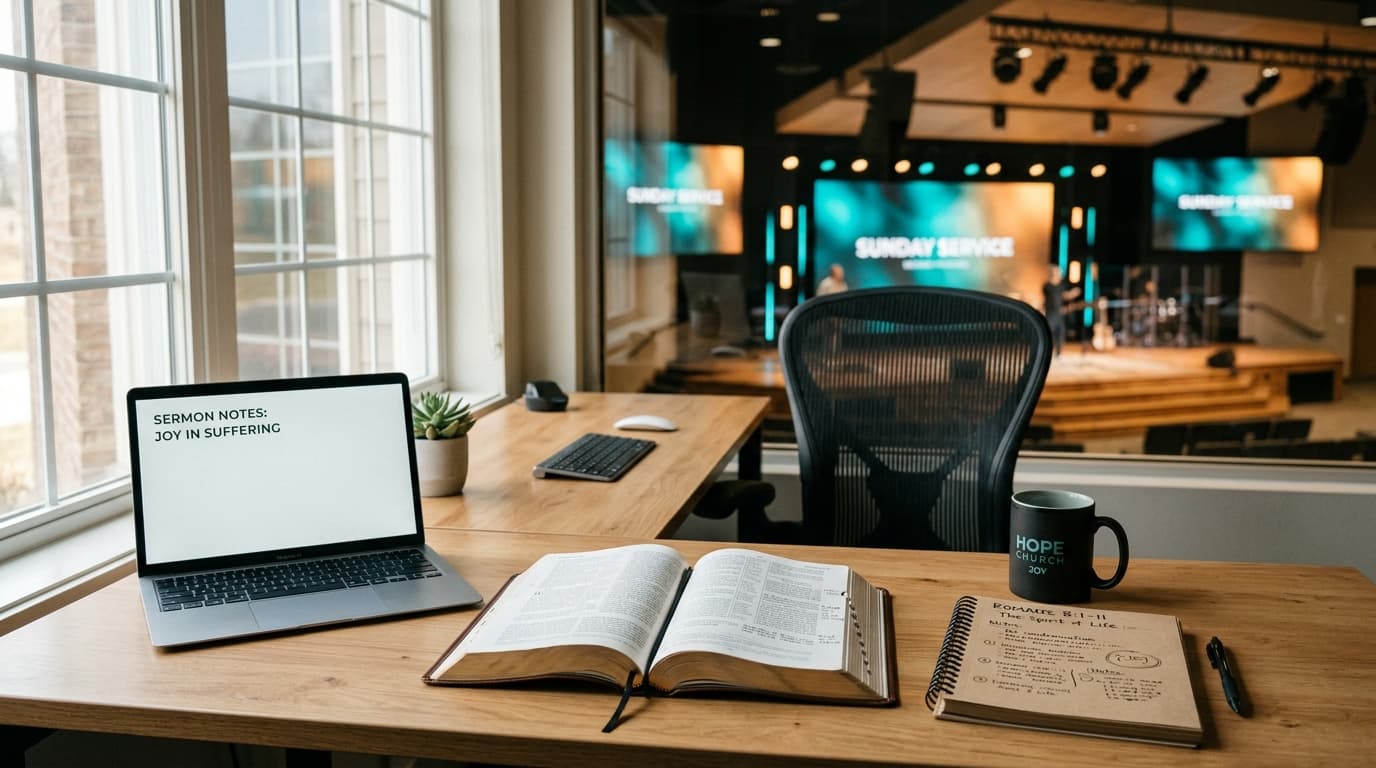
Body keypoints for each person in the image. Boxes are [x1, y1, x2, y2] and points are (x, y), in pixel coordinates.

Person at [1042, 265, 1080, 357]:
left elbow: (1064, 296)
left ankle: (1059, 352)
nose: (1059, 273)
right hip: (1051, 312)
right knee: (1049, 332)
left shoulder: (1062, 285)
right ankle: (1047, 351)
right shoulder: (1047, 286)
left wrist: (1073, 294)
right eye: (1057, 272)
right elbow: (1054, 297)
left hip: (1060, 312)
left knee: (1060, 332)